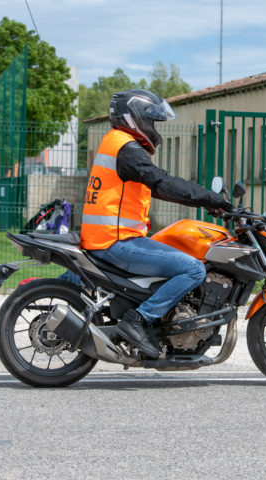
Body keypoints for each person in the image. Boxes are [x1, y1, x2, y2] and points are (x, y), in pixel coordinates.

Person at [81, 89, 233, 358]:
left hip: (112, 238)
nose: (153, 127)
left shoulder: (116, 143)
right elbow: (162, 182)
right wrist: (213, 198)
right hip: (116, 243)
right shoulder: (126, 148)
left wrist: (207, 202)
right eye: (151, 120)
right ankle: (137, 320)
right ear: (134, 118)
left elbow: (159, 188)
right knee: (194, 270)